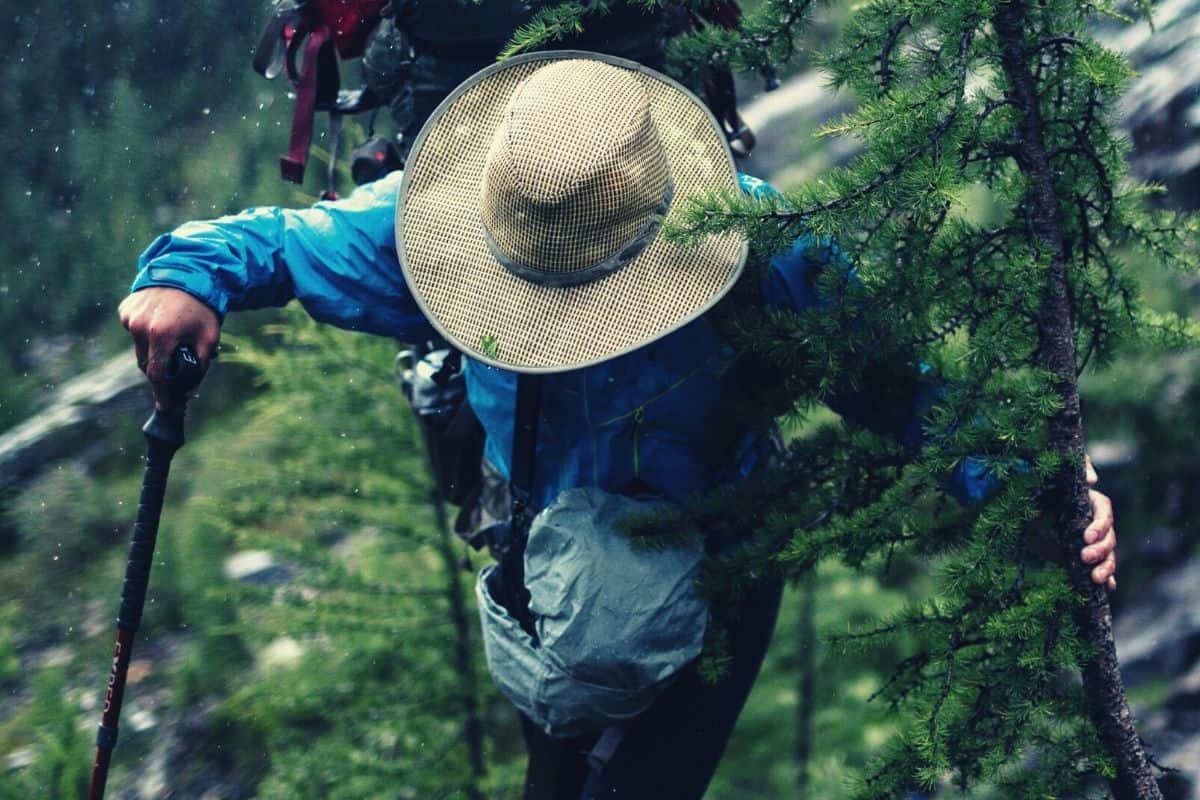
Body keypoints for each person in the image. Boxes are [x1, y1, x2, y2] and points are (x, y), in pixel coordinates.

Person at [118, 52, 1119, 800]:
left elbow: (908, 389)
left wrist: (1046, 491)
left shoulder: (759, 248)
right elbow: (279, 240)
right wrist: (183, 276)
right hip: (540, 573)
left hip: (719, 564)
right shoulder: (440, 226)